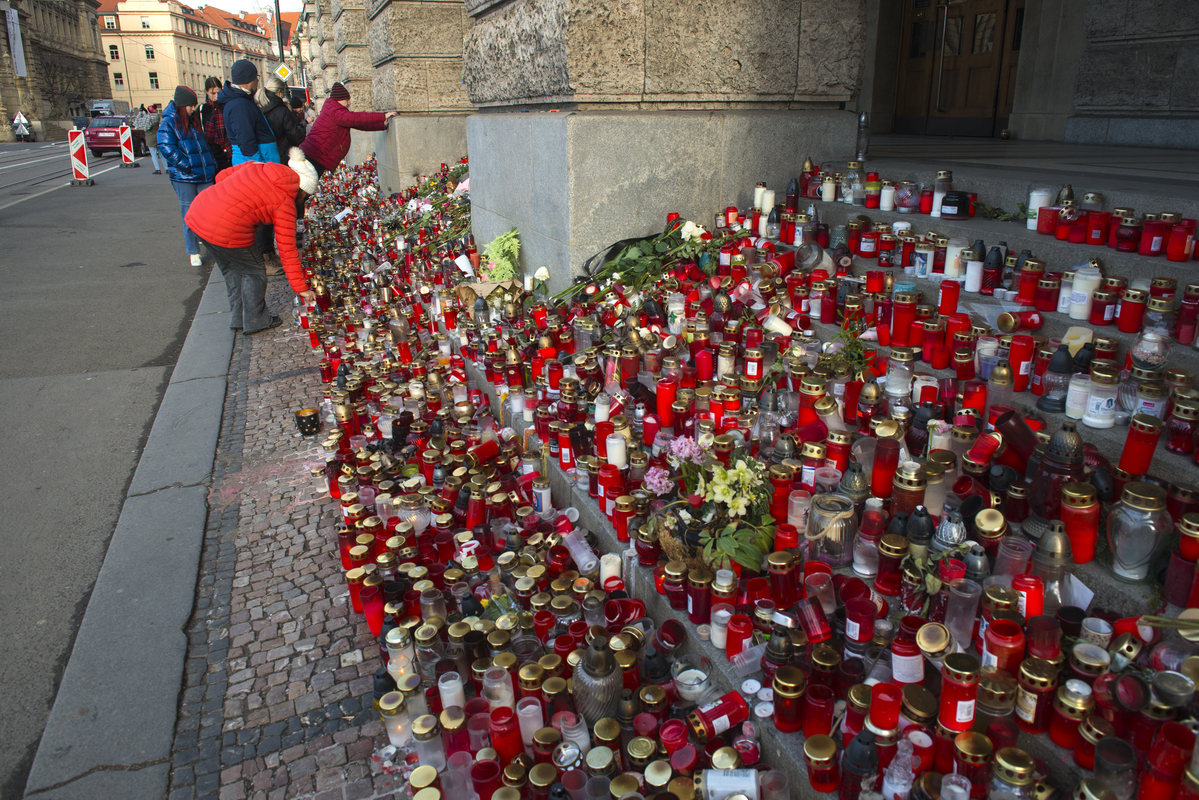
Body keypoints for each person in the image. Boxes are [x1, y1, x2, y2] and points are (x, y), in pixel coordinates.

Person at [185, 148, 318, 334]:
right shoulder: (285, 201)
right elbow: (287, 249)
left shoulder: (261, 167)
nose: (303, 200)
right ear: (302, 189)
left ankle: (238, 318)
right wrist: (301, 288)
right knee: (253, 270)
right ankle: (256, 320)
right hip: (227, 228)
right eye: (305, 197)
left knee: (231, 269)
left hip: (199, 214)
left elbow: (221, 176)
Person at [157, 86, 217, 267]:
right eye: (191, 106)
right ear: (183, 106)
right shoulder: (169, 123)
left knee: (209, 212)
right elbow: (166, 147)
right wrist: (186, 165)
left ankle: (212, 246)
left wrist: (210, 164)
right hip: (185, 177)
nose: (194, 109)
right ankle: (193, 252)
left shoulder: (191, 121)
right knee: (189, 215)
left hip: (203, 174)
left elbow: (202, 145)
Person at [300, 82, 396, 177]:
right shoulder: (336, 112)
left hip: (314, 154)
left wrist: (381, 125)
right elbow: (358, 118)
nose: (349, 103)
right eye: (347, 100)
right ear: (339, 100)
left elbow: (359, 124)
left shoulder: (333, 109)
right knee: (306, 186)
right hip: (315, 156)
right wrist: (383, 116)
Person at [218, 59, 278, 165]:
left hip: (256, 161)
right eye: (256, 77)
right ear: (250, 80)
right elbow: (246, 141)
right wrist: (259, 167)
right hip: (255, 164)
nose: (257, 81)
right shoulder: (240, 105)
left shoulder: (240, 101)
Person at [257, 75, 305, 162]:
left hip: (264, 156)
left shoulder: (258, 107)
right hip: (282, 155)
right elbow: (295, 137)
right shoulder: (282, 110)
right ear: (279, 92)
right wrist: (301, 127)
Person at [200, 76, 232, 173]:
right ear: (206, 92)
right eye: (213, 93)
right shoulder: (202, 109)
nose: (216, 96)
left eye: (218, 92)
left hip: (228, 149)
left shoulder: (227, 105)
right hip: (212, 150)